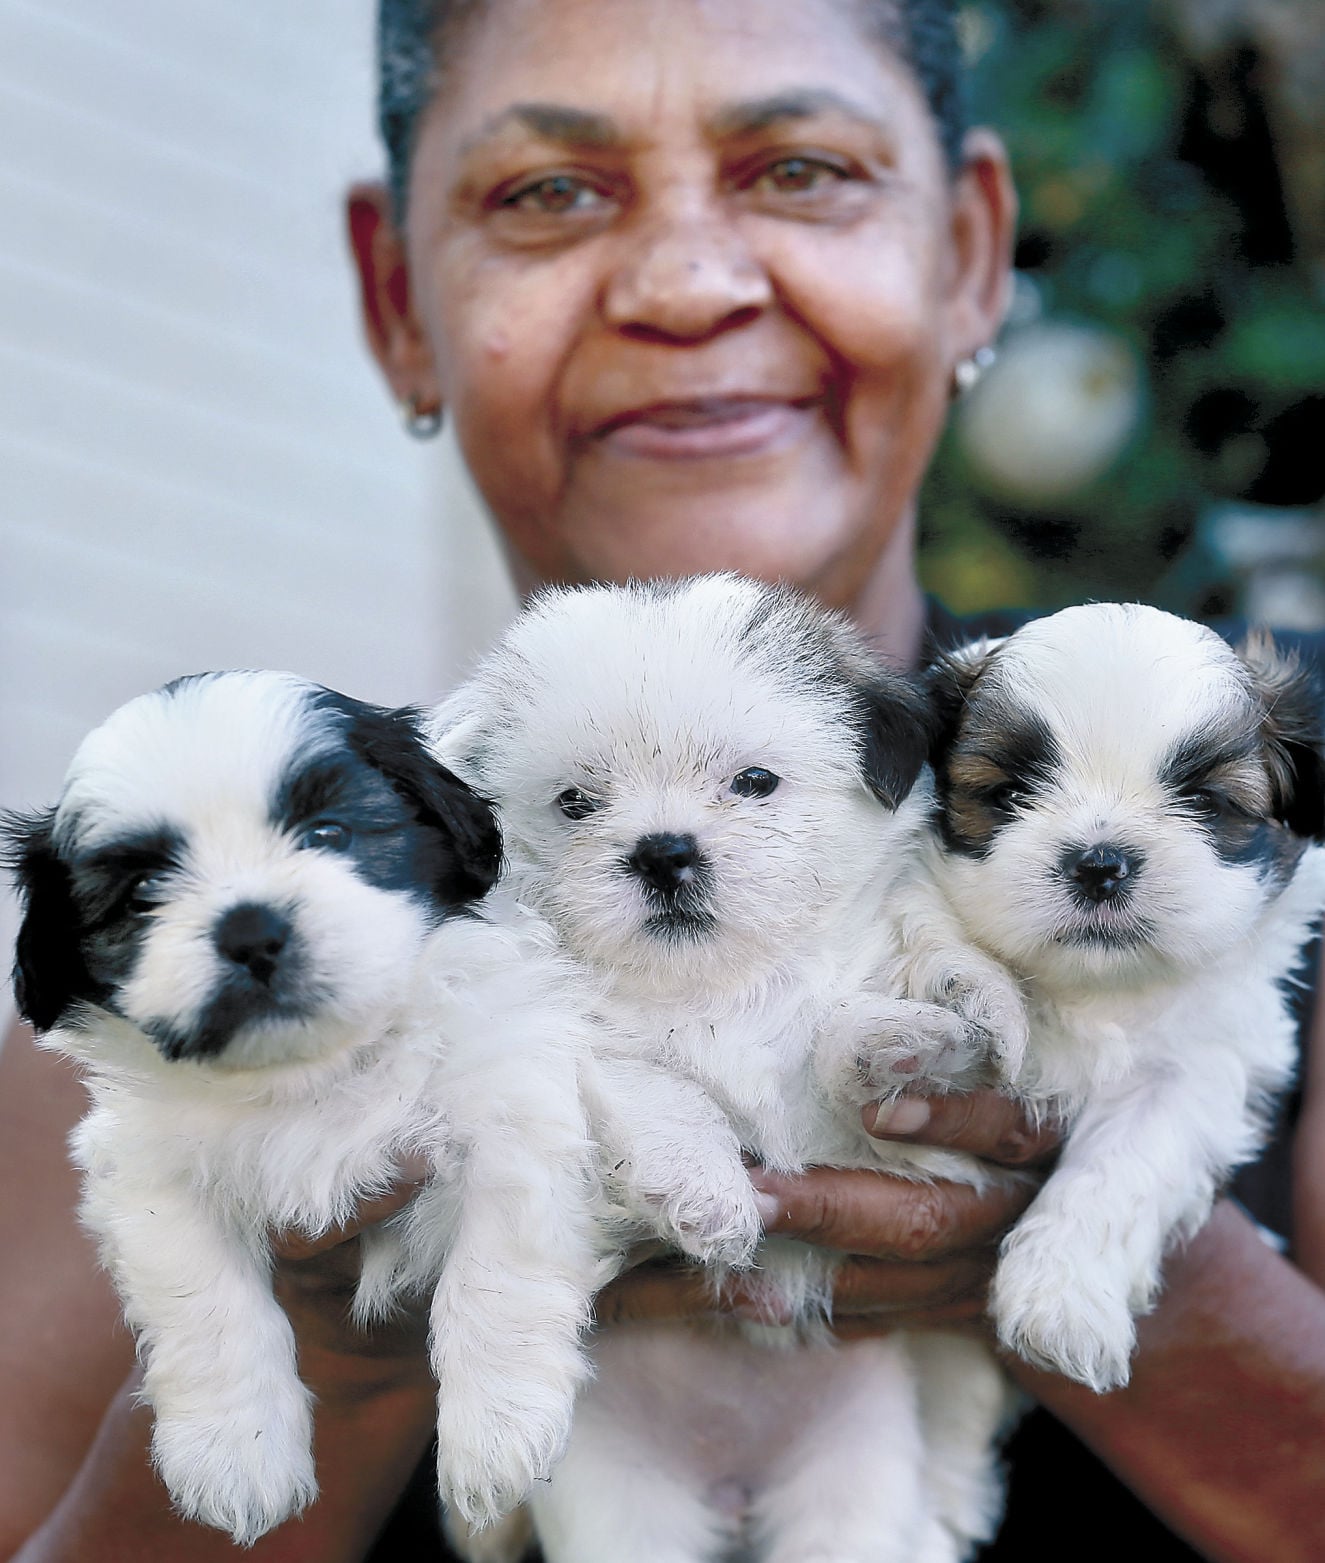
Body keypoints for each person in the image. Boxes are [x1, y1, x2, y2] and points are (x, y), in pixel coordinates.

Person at [3, 1, 1325, 1558]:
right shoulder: (224, 970)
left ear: (971, 247)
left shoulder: (1256, 841)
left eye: (804, 170)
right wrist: (344, 1350)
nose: (690, 283)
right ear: (395, 298)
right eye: (546, 194)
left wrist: (1120, 1242)